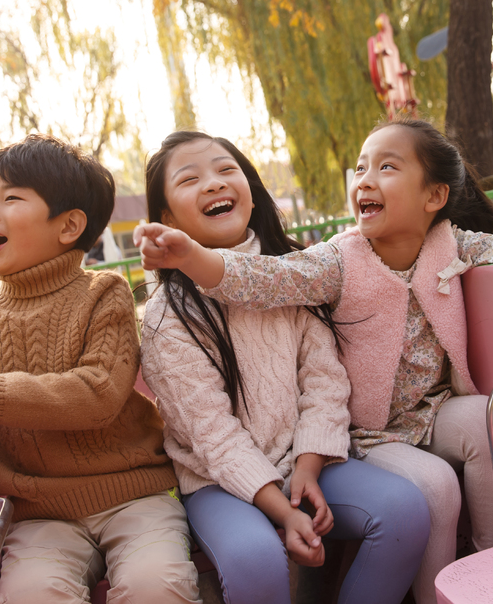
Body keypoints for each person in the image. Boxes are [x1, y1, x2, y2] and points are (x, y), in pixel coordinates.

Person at [134, 116, 493, 603]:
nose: (364, 179)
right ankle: (438, 596)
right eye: (361, 167)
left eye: (385, 167)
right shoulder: (330, 262)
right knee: (432, 488)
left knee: (484, 418)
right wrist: (191, 257)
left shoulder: (448, 242)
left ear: (434, 197)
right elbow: (258, 281)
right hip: (357, 435)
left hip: (410, 418)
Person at [0, 134, 201, 604]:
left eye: (11, 198)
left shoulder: (102, 294)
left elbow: (97, 395)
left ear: (69, 226)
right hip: (36, 515)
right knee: (33, 594)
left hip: (134, 495)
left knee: (158, 585)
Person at [139, 131, 431, 604]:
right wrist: (283, 509)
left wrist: (309, 466)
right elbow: (213, 437)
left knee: (405, 510)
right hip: (221, 484)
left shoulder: (290, 277)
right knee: (255, 556)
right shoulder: (168, 316)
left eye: (226, 169)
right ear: (168, 218)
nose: (214, 184)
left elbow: (324, 382)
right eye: (190, 179)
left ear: (251, 194)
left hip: (304, 462)